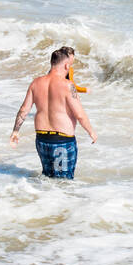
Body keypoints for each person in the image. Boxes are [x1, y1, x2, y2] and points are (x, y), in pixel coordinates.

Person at [11, 47, 97, 179]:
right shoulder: (68, 85)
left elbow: (24, 110)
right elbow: (79, 114)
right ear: (66, 65)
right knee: (63, 183)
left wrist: (15, 131)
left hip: (42, 141)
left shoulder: (36, 83)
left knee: (47, 178)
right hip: (62, 142)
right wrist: (91, 132)